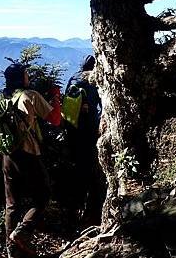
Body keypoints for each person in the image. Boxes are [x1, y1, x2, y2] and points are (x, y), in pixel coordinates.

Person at [2, 62, 61, 258]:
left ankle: (12, 251)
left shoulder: (5, 98)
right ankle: (22, 232)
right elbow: (55, 119)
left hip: (8, 156)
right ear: (21, 78)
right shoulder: (31, 95)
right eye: (26, 74)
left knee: (12, 204)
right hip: (27, 154)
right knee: (43, 194)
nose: (29, 76)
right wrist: (56, 97)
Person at [64, 55, 105, 229]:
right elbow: (100, 105)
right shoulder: (93, 82)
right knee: (91, 172)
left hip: (72, 132)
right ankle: (91, 213)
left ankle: (74, 213)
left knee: (78, 171)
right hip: (88, 132)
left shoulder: (74, 78)